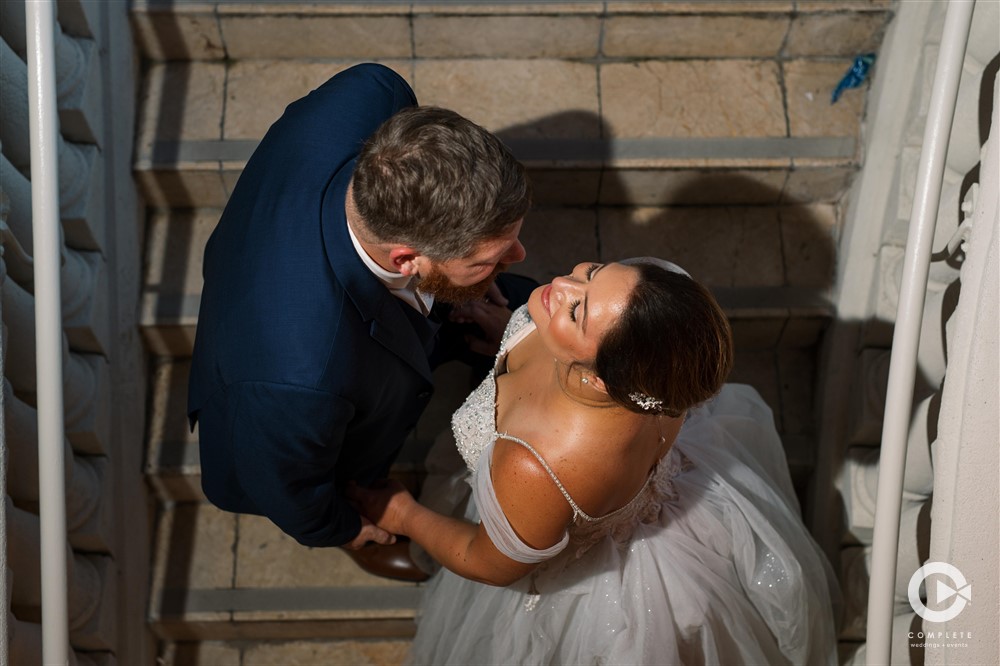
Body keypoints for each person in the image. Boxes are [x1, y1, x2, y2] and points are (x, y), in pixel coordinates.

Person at [350, 257, 841, 664]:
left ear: (603, 381)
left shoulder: (539, 464)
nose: (561, 284)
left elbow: (492, 564)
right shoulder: (655, 332)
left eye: (577, 311)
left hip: (555, 521)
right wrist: (518, 328)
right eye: (593, 271)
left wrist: (402, 514)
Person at [186, 62, 533, 582]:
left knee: (530, 308)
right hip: (291, 406)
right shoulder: (300, 379)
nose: (521, 255)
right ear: (405, 260)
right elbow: (286, 483)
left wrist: (463, 287)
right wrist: (341, 527)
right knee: (336, 458)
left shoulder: (372, 93)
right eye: (487, 261)